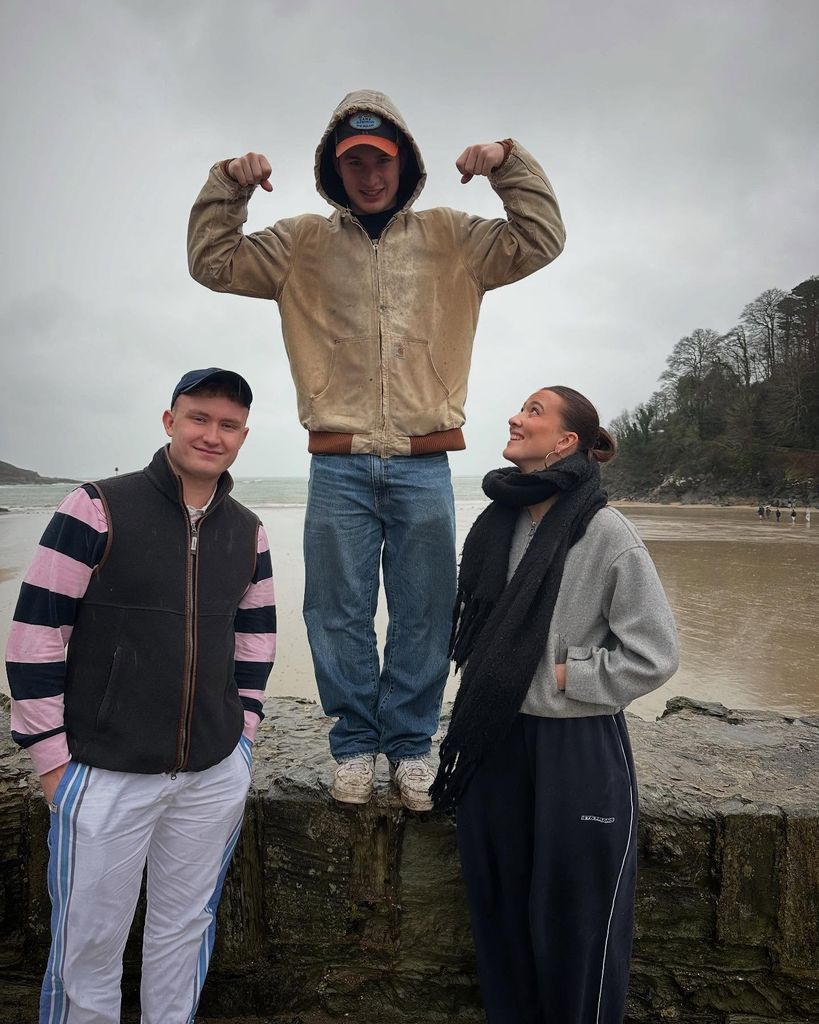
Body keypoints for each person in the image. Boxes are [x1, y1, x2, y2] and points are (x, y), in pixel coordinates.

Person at [187, 90, 565, 811]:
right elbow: (212, 262)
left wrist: (507, 165)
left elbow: (540, 240)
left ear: (406, 163)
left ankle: (412, 745)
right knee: (335, 612)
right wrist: (228, 186)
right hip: (337, 463)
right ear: (333, 167)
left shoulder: (455, 236)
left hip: (425, 462)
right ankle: (355, 746)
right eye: (353, 161)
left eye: (380, 161)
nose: (368, 175)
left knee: (426, 610)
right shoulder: (299, 242)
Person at [5, 369, 276, 1024]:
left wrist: (242, 739)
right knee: (88, 943)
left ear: (243, 435)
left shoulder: (247, 530)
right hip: (103, 772)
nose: (212, 434)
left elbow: (255, 640)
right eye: (198, 417)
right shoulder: (97, 506)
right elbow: (36, 633)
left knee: (184, 929)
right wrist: (52, 763)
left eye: (228, 423)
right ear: (169, 421)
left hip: (212, 773)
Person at [430, 386, 679, 1024]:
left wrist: (569, 674)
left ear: (566, 442)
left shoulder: (605, 532)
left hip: (577, 745)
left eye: (534, 411)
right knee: (500, 911)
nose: (515, 417)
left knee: (578, 924)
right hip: (493, 740)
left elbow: (654, 654)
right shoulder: (500, 521)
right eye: (520, 408)